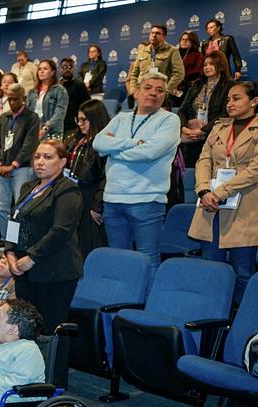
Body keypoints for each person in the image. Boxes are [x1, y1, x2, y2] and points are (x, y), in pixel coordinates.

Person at [3, 140, 83, 388]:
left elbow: (60, 230)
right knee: (27, 329)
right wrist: (9, 252)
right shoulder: (29, 187)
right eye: (37, 156)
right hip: (25, 270)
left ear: (62, 162)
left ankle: (55, 385)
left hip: (55, 273)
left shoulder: (67, 190)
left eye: (47, 157)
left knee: (51, 331)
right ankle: (30, 379)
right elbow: (14, 221)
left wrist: (32, 257)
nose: (40, 162)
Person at [93, 72, 181, 278]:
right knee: (118, 260)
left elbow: (150, 152)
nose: (153, 93)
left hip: (147, 201)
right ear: (137, 92)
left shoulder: (170, 119)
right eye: (148, 88)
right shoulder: (120, 118)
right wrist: (133, 143)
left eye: (160, 91)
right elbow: (98, 143)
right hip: (113, 199)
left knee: (148, 261)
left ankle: (145, 307)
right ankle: (119, 305)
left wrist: (114, 149)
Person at [188, 81, 258, 304]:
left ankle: (240, 325)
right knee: (211, 271)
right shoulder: (219, 127)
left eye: (237, 98)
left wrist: (220, 191)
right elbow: (203, 160)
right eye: (228, 99)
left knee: (242, 273)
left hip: (245, 208)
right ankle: (211, 319)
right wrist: (204, 190)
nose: (230, 103)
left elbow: (254, 170)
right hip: (211, 206)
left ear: (254, 101)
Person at [0, 83, 41, 241]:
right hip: (2, 169)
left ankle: (18, 243)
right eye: (9, 99)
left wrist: (13, 165)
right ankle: (6, 241)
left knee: (20, 208)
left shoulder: (32, 118)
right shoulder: (3, 117)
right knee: (2, 208)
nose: (12, 102)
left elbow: (29, 145)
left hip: (22, 169)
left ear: (24, 99)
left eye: (15, 99)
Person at [64, 99, 110, 258]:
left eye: (84, 120)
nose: (80, 124)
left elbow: (106, 176)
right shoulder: (75, 139)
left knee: (89, 242)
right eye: (78, 119)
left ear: (96, 118)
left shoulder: (105, 143)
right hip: (73, 193)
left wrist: (97, 205)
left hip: (91, 195)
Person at [178, 51, 234, 168]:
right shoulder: (196, 84)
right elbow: (182, 110)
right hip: (192, 136)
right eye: (205, 65)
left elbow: (226, 114)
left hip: (216, 136)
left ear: (221, 65)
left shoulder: (229, 86)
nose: (207, 67)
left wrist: (203, 130)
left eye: (211, 64)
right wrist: (184, 128)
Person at [128, 25, 185, 99]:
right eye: (152, 33)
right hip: (142, 94)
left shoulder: (172, 50)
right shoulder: (142, 51)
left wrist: (166, 90)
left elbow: (179, 74)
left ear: (164, 37)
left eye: (157, 33)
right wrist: (134, 91)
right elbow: (134, 74)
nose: (154, 35)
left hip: (160, 95)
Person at [26, 60, 69, 140]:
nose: (41, 71)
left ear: (52, 72)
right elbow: (27, 112)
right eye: (39, 69)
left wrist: (46, 127)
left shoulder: (59, 90)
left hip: (52, 132)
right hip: (33, 130)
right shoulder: (32, 92)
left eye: (45, 69)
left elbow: (60, 113)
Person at [60, 58, 91, 135]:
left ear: (73, 68)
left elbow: (87, 104)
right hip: (60, 124)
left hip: (75, 125)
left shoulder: (79, 85)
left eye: (70, 67)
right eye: (64, 67)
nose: (67, 69)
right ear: (60, 69)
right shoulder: (57, 86)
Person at [176, 31, 204, 107]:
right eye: (182, 39)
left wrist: (181, 78)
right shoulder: (174, 54)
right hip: (173, 88)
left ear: (193, 42)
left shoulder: (198, 55)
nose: (184, 41)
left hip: (188, 88)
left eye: (187, 39)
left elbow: (197, 72)